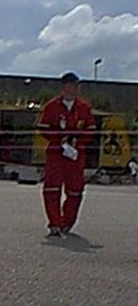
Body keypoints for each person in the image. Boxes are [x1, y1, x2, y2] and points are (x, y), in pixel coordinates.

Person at [37, 72, 96, 237]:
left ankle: (67, 222)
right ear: (64, 87)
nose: (75, 89)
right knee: (52, 188)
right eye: (72, 85)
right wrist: (59, 140)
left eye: (77, 86)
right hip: (56, 153)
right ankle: (54, 223)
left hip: (76, 155)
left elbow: (91, 129)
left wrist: (77, 143)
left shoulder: (84, 107)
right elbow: (43, 128)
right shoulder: (52, 106)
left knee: (75, 190)